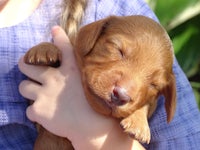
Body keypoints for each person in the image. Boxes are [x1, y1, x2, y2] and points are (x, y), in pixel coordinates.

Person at [0, 0, 200, 149]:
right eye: (118, 51)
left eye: (153, 85)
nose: (124, 90)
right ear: (89, 35)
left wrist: (102, 135)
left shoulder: (113, 6)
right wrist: (48, 51)